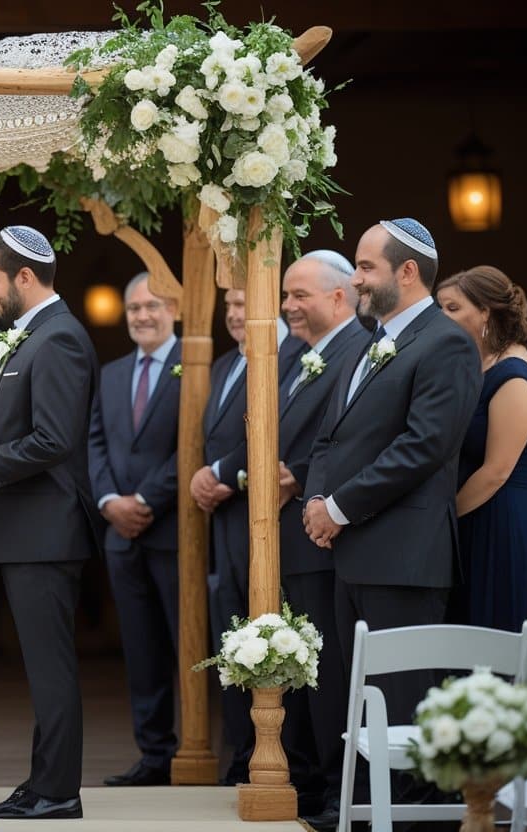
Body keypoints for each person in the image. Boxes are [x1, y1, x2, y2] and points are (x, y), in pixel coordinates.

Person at [0, 226, 100, 820]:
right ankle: (42, 785)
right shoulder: (33, 334)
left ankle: (58, 792)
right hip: (24, 530)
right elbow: (23, 425)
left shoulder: (57, 338)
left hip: (45, 530)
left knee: (50, 667)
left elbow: (54, 440)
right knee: (42, 666)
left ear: (24, 278)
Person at [303, 218, 481, 732]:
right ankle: (369, 811)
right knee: (361, 702)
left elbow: (424, 446)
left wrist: (337, 508)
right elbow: (329, 436)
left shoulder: (445, 344)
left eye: (364, 267)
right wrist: (316, 500)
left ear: (407, 272)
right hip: (351, 554)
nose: (354, 279)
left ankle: (410, 814)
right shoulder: (367, 341)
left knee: (403, 705)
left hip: (405, 557)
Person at [218, 251, 368, 824]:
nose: (287, 307)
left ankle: (334, 788)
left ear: (338, 297)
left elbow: (354, 438)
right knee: (302, 671)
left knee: (325, 673)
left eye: (299, 295)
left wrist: (300, 475)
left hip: (319, 536)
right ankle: (306, 780)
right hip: (288, 537)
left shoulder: (357, 350)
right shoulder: (303, 357)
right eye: (285, 296)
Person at [190, 287, 304, 785]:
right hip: (225, 523)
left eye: (244, 304)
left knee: (266, 637)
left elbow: (272, 428)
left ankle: (278, 757)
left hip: (266, 518)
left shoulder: (292, 355)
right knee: (231, 640)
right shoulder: (221, 366)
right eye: (230, 307)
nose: (236, 315)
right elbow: (218, 433)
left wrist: (218, 473)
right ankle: (238, 755)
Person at [87, 272, 182, 787]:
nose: (143, 316)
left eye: (153, 306)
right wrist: (108, 502)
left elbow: (194, 447)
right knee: (141, 652)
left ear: (174, 308)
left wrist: (145, 500)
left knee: (188, 647)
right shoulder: (112, 371)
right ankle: (153, 755)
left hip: (172, 531)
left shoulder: (197, 366)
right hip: (120, 537)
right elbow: (95, 443)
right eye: (134, 308)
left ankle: (201, 749)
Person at [436, 265, 527, 632]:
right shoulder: (479, 366)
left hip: (501, 520)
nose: (442, 317)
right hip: (475, 517)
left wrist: (443, 519)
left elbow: (497, 471)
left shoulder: (514, 376)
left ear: (486, 312)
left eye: (452, 308)